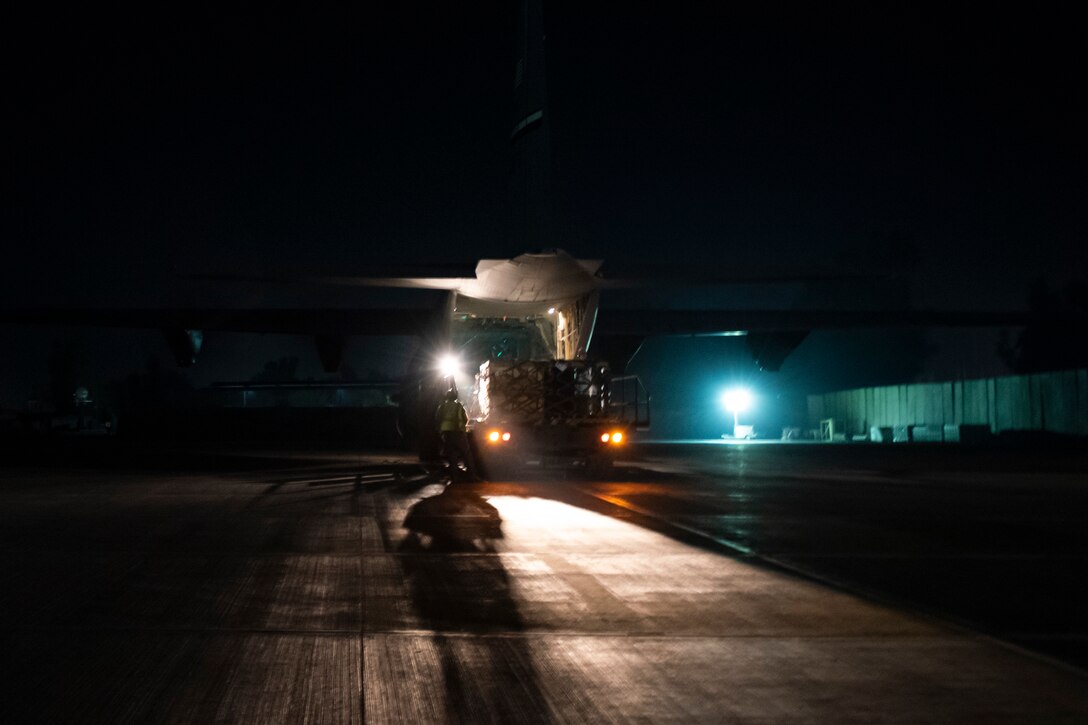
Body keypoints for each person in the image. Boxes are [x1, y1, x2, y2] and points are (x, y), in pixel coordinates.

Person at [435, 389, 481, 481]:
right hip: (458, 432)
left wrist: (440, 432)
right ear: (455, 396)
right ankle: (472, 476)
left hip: (447, 433)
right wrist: (463, 428)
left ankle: (454, 477)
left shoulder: (442, 407)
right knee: (466, 454)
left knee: (452, 455)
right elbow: (465, 418)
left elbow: (438, 419)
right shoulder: (458, 406)